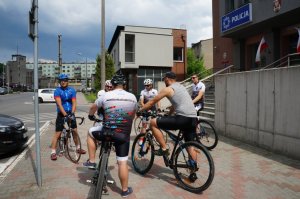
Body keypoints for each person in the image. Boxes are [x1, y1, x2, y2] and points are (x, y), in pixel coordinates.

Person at [84, 71, 137, 197]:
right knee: (122, 162)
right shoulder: (133, 97)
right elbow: (133, 115)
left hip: (107, 132)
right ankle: (124, 190)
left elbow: (93, 107)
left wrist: (91, 116)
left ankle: (91, 161)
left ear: (112, 84)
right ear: (124, 84)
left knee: (90, 132)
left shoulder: (105, 96)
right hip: (123, 136)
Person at [138, 71, 197, 157]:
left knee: (153, 123)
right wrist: (169, 115)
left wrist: (140, 110)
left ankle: (164, 148)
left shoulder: (168, 89)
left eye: (164, 79)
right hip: (193, 119)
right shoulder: (181, 87)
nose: (164, 81)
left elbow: (152, 102)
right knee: (189, 146)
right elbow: (174, 105)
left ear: (167, 79)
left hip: (183, 118)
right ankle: (193, 167)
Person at [50, 73, 86, 161]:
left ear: (67, 81)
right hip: (61, 113)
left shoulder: (72, 90)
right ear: (59, 82)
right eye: (61, 81)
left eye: (65, 80)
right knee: (57, 133)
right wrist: (65, 115)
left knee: (74, 131)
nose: (63, 82)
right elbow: (59, 104)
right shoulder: (57, 91)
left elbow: (74, 103)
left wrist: (72, 113)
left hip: (70, 112)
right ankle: (53, 152)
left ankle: (78, 148)